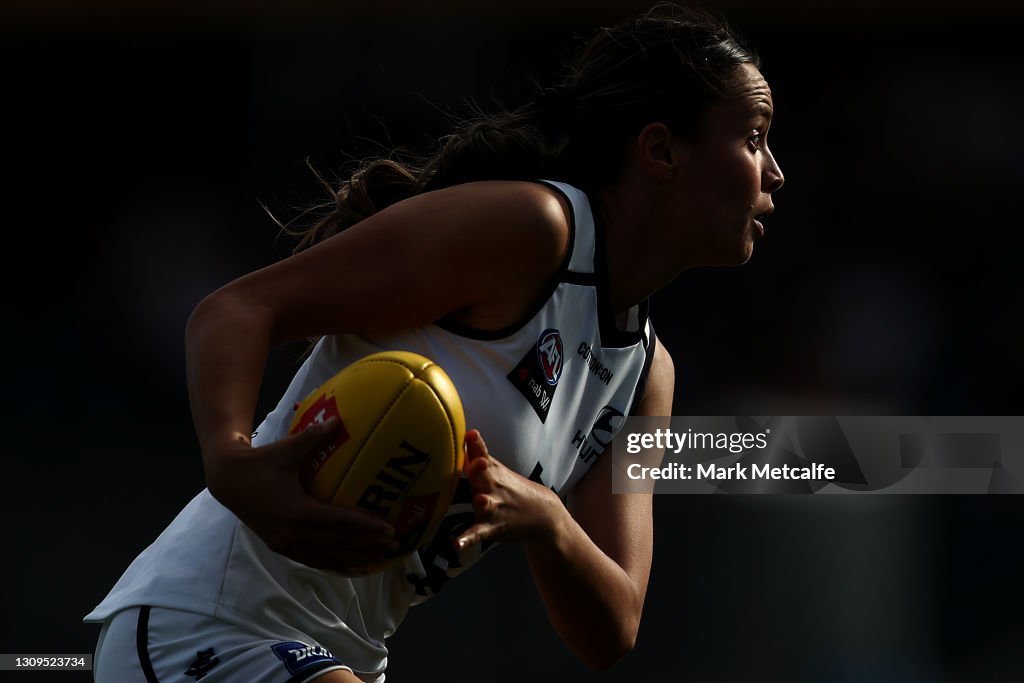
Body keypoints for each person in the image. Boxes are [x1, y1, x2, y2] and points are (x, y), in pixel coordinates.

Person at [84, 3, 783, 681]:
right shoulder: (534, 227)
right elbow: (236, 309)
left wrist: (547, 520)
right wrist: (231, 462)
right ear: (661, 149)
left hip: (349, 653)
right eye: (754, 136)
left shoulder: (644, 373)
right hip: (211, 622)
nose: (775, 171)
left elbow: (612, 628)